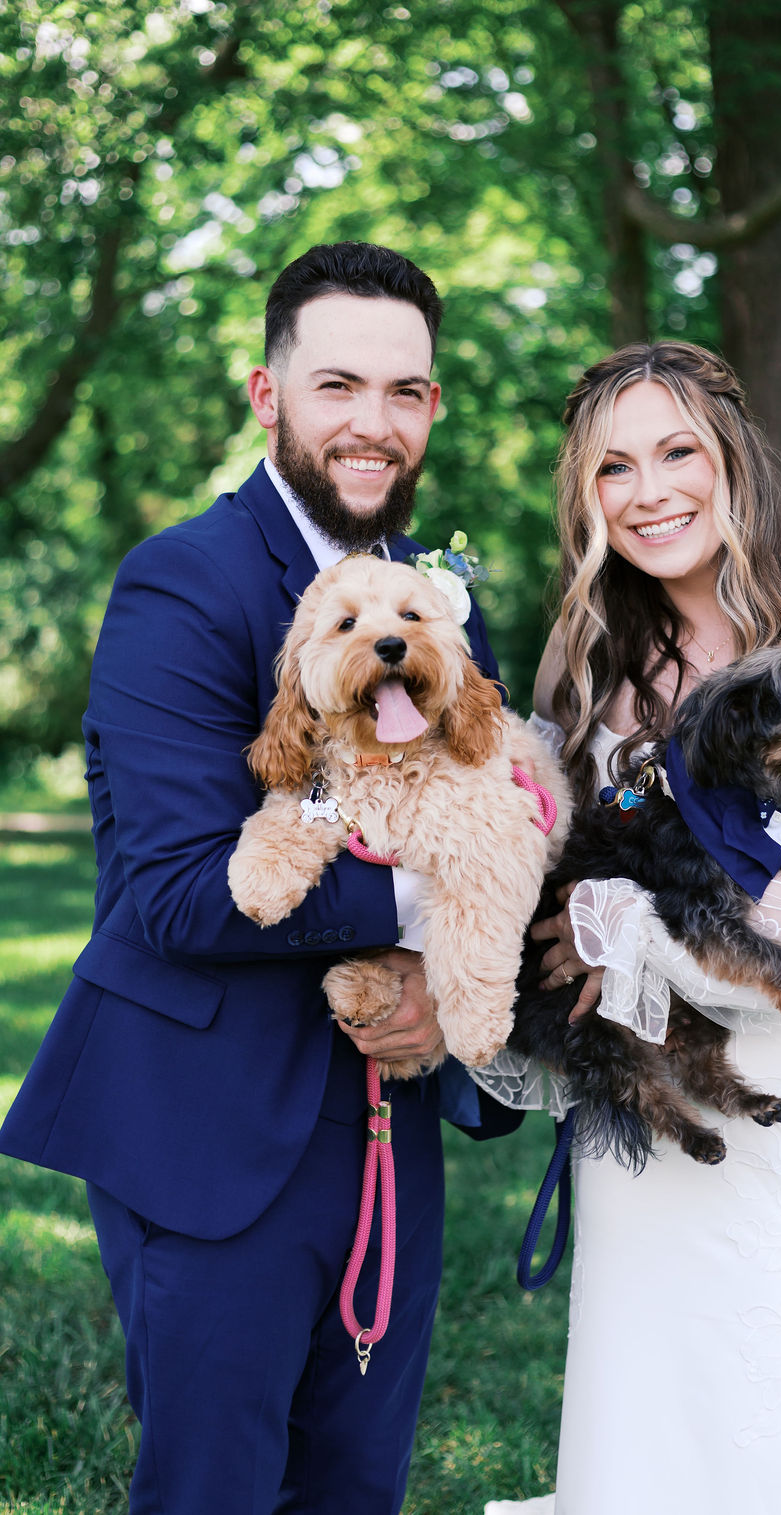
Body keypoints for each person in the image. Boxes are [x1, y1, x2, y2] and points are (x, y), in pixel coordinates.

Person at [0, 240, 521, 1515]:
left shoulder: (438, 604)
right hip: (210, 1128)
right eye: (337, 385)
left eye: (404, 391)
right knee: (216, 1490)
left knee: (355, 1487)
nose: (372, 422)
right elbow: (180, 891)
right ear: (266, 394)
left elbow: (498, 793)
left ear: (433, 407)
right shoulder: (183, 581)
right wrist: (441, 896)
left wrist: (445, 990)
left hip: (391, 1124)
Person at [477, 341, 781, 1514]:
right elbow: (557, 866)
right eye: (614, 468)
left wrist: (625, 930)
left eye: (676, 452)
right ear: (584, 495)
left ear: (732, 456)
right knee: (654, 1432)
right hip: (663, 1100)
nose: (649, 493)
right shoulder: (584, 657)